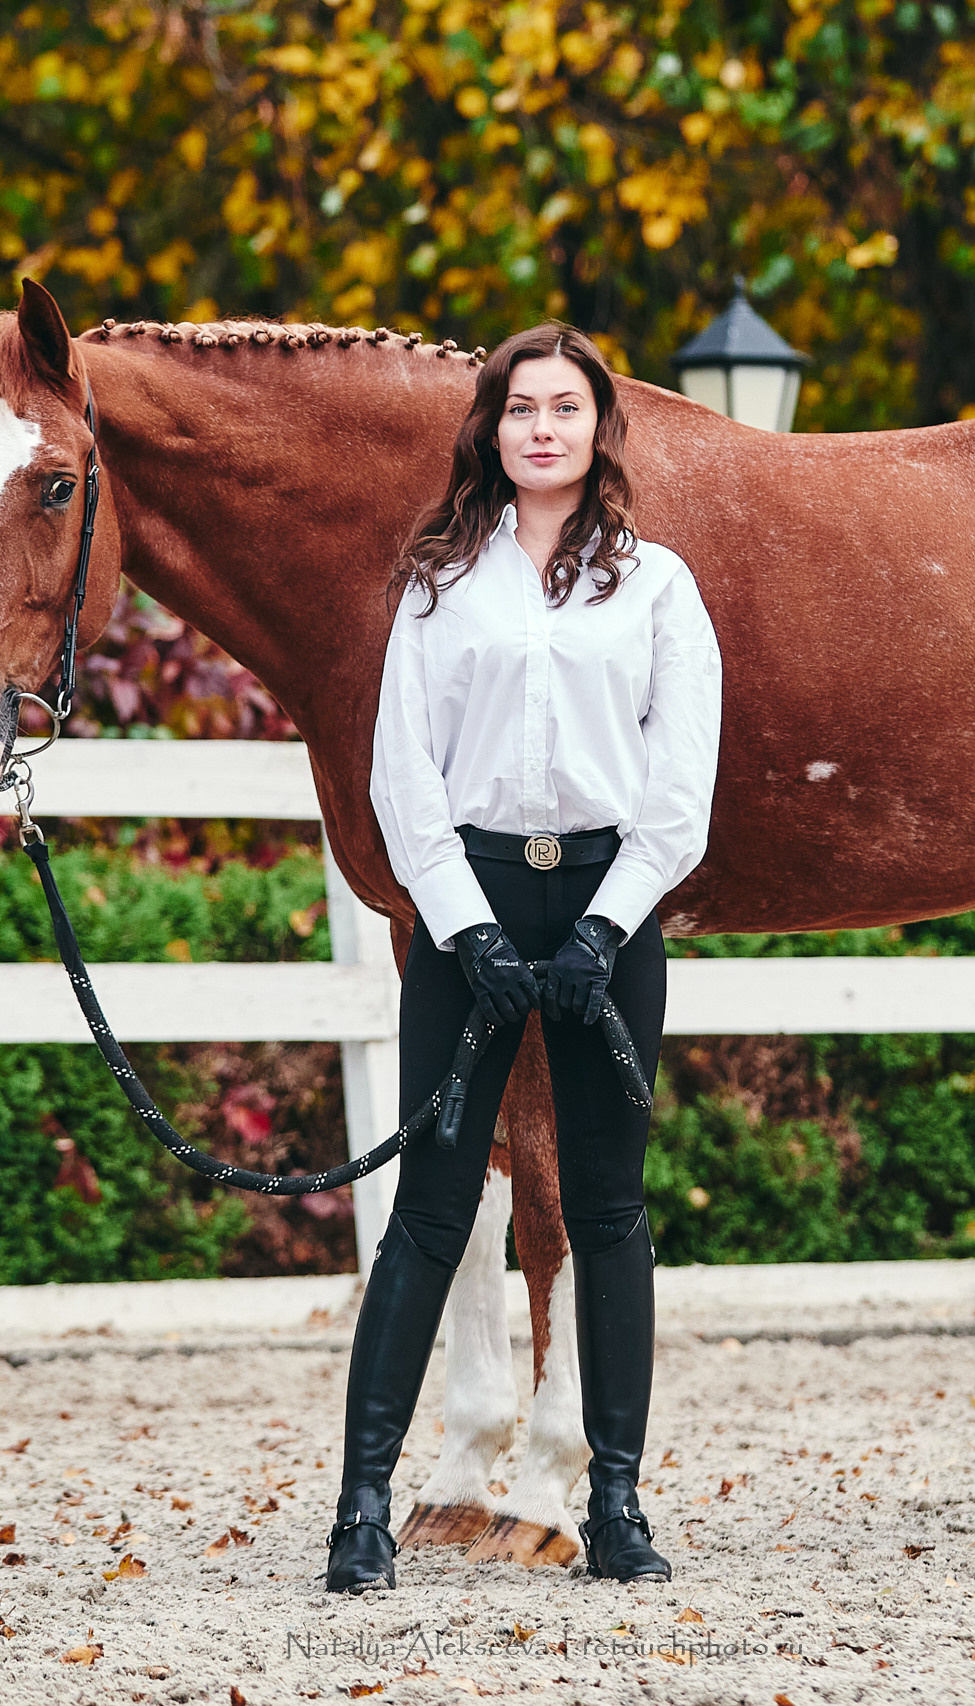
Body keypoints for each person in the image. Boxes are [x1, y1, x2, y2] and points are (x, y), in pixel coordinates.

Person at [325, 324, 723, 1592]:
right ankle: (362, 1508)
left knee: (608, 1211)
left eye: (564, 407)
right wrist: (467, 926)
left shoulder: (658, 586)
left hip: (611, 896)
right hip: (473, 907)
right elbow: (404, 773)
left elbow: (681, 780)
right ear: (489, 431)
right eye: (518, 409)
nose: (540, 428)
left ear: (601, 428)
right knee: (431, 1213)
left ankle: (614, 1502)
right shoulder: (438, 587)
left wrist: (608, 924)